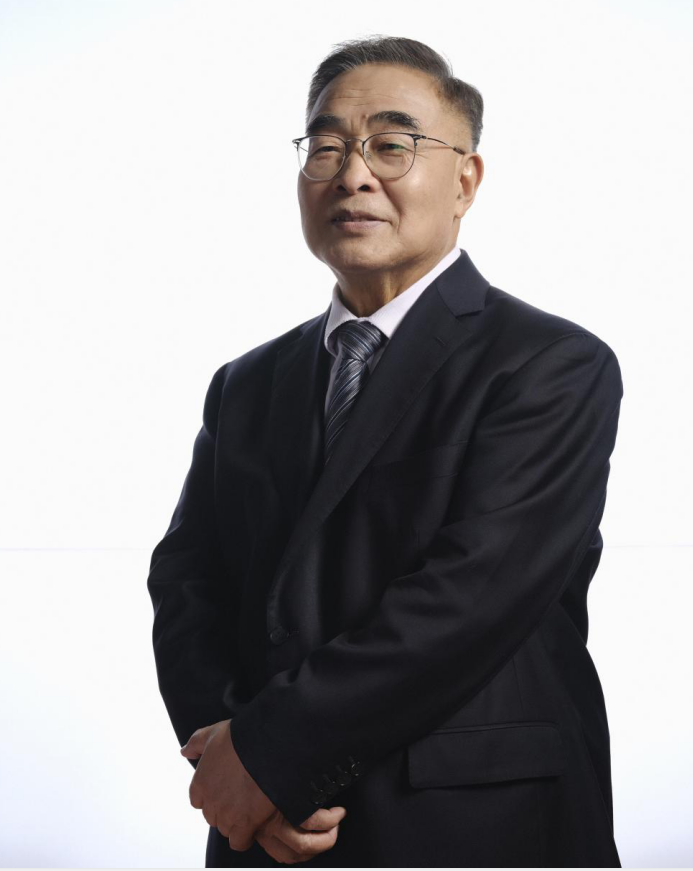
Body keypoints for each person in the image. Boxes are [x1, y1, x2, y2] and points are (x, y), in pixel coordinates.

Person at [147, 35, 624, 868]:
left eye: (392, 145)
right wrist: (229, 759)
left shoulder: (551, 364)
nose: (353, 175)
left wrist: (269, 757)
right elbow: (188, 582)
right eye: (326, 147)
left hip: (472, 821)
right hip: (265, 831)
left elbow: (468, 600)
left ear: (465, 180)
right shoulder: (247, 383)